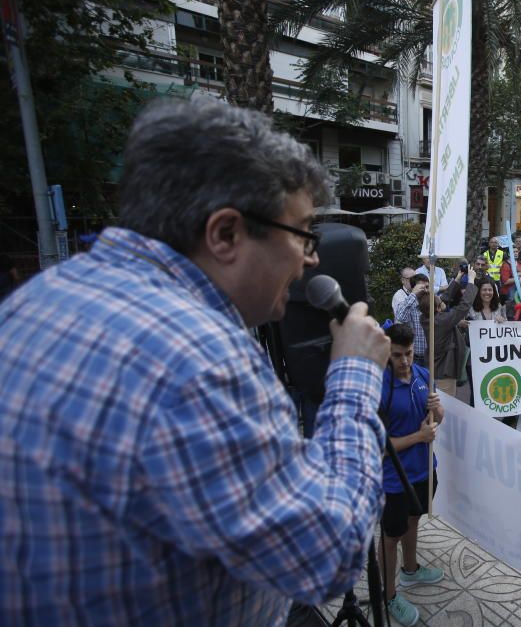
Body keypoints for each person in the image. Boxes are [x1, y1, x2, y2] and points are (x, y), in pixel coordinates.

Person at [0, 98, 390, 623]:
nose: (312, 258)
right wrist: (356, 375)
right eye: (302, 233)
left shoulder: (31, 301)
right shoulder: (202, 364)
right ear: (225, 233)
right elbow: (328, 553)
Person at [378, 324, 445, 626]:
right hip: (394, 479)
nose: (404, 361)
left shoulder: (423, 375)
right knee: (390, 536)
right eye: (397, 355)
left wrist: (437, 409)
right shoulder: (380, 387)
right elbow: (378, 446)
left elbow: (436, 420)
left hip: (423, 469)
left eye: (408, 354)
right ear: (387, 354)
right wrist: (418, 438)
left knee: (413, 519)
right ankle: (388, 595)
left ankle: (410, 570)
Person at [418, 270, 477, 396]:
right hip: (443, 372)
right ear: (437, 308)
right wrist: (471, 281)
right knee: (445, 407)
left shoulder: (425, 317)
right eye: (439, 302)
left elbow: (443, 298)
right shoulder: (442, 320)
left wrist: (457, 278)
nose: (442, 300)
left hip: (433, 369)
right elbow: (464, 306)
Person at [396, 274, 431, 367]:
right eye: (421, 287)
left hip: (432, 356)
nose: (425, 290)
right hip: (416, 358)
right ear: (413, 288)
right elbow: (400, 318)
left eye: (427, 286)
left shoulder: (433, 302)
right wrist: (413, 294)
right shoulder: (408, 303)